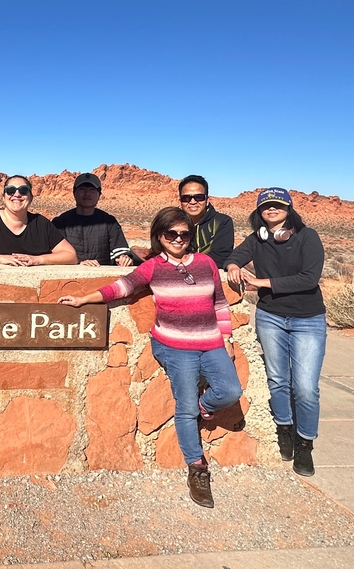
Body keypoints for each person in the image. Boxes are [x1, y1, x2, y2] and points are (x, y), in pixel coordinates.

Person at [58, 207, 241, 508]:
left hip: (210, 343)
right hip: (174, 345)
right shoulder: (154, 266)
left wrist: (228, 338)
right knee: (184, 408)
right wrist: (84, 298)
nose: (179, 239)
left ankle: (203, 407)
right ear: (160, 235)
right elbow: (122, 286)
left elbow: (220, 304)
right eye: (172, 233)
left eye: (184, 233)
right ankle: (197, 468)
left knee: (230, 391)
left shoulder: (206, 263)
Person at [226, 188, 326, 477]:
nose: (271, 210)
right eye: (266, 206)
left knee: (306, 387)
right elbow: (234, 257)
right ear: (259, 211)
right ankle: (284, 428)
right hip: (270, 317)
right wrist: (233, 267)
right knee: (278, 380)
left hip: (307, 319)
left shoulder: (308, 237)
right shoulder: (258, 238)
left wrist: (262, 282)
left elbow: (309, 278)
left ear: (289, 209)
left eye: (277, 206)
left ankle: (305, 442)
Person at [0, 175, 77, 266]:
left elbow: (71, 255)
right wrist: (0, 258)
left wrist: (37, 260)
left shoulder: (41, 223)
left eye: (23, 190)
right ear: (4, 197)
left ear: (31, 197)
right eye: (11, 190)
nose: (17, 194)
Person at [52, 172, 138, 267]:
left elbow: (119, 251)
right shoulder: (60, 222)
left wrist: (124, 258)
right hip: (68, 276)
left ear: (99, 194)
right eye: (82, 189)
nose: (87, 193)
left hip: (102, 277)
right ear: (74, 193)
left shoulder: (109, 222)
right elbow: (54, 254)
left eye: (92, 190)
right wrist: (79, 264)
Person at [178, 175, 234, 269]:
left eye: (199, 197)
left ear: (207, 200)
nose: (192, 202)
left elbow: (220, 258)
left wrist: (184, 263)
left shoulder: (222, 222)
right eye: (186, 198)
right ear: (180, 201)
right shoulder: (172, 222)